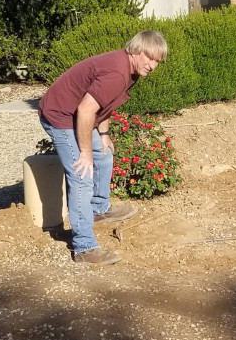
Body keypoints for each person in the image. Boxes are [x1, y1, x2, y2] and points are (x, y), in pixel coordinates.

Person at [38, 31, 167, 265]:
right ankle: (84, 247)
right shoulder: (118, 72)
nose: (153, 65)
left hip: (75, 114)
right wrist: (85, 153)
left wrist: (104, 134)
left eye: (158, 61)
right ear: (137, 51)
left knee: (104, 155)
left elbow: (103, 105)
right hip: (59, 115)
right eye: (150, 58)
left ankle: (98, 208)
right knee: (81, 174)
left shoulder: (129, 70)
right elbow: (86, 110)